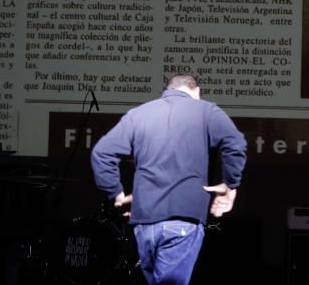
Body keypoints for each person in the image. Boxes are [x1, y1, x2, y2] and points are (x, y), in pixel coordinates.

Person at [90, 73, 247, 285]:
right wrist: (230, 184)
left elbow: (102, 152)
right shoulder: (206, 110)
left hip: (144, 223)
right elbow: (235, 145)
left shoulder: (139, 114)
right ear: (196, 91)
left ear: (167, 90)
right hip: (183, 220)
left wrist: (116, 194)